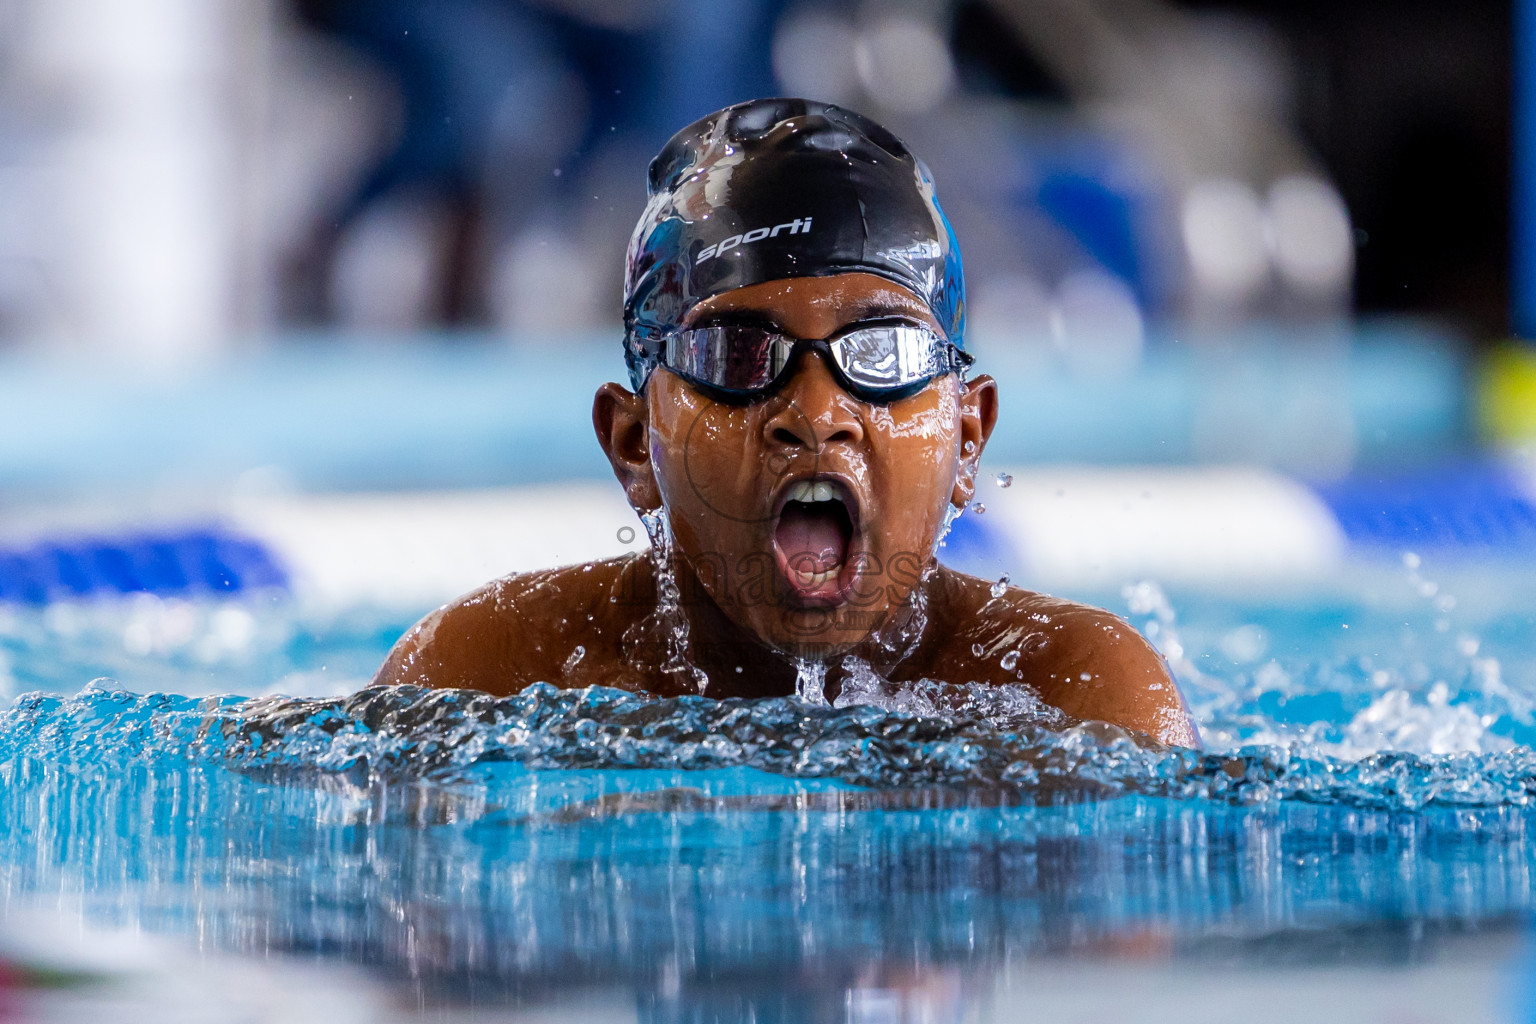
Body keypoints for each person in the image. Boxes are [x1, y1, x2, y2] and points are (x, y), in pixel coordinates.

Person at [374, 98, 1197, 746]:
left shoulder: (1076, 693)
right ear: (632, 445)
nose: (814, 416)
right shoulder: (486, 675)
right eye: (736, 356)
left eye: (885, 355)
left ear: (968, 435)